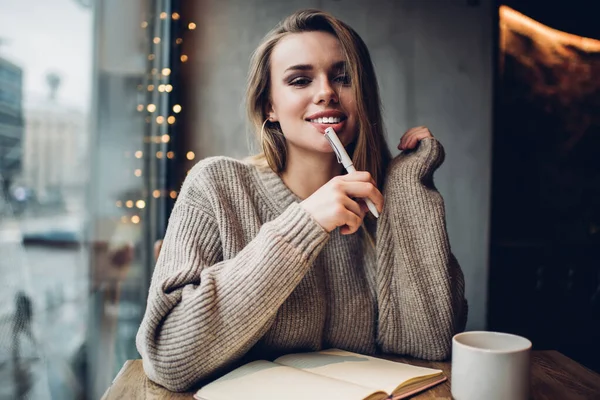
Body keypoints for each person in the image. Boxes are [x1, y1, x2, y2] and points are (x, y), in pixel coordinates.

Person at [136, 9, 467, 392]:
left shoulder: (380, 207)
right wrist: (305, 224)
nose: (326, 91)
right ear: (269, 107)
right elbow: (166, 357)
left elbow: (429, 343)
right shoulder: (216, 186)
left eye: (343, 78)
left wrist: (407, 186)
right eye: (300, 80)